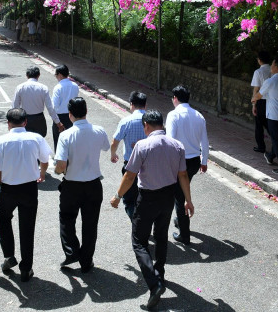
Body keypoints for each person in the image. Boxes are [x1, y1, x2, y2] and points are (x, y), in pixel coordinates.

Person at [110, 110, 194, 311]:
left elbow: (130, 176)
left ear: (146, 125)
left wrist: (117, 196)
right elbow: (183, 175)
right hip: (168, 196)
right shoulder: (177, 145)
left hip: (147, 197)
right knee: (161, 236)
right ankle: (160, 275)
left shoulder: (143, 145)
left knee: (139, 241)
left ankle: (154, 284)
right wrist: (188, 201)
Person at [0, 108, 51, 283]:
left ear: (8, 123)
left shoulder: (1, 142)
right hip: (29, 188)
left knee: (4, 220)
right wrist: (42, 173)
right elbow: (45, 160)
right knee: (27, 228)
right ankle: (26, 268)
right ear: (25, 122)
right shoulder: (36, 138)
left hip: (7, 189)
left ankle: (9, 256)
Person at [54, 97, 110, 273]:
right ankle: (86, 261)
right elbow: (106, 147)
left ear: (70, 115)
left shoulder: (65, 135)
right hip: (93, 185)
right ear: (86, 111)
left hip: (72, 186)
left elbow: (61, 166)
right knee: (90, 224)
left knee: (67, 218)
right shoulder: (99, 131)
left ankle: (71, 251)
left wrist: (57, 171)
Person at [165, 85, 208, 244]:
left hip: (179, 160)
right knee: (183, 189)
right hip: (194, 161)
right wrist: (204, 161)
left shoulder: (173, 115)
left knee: (179, 197)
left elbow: (170, 141)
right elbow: (205, 141)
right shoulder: (198, 115)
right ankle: (180, 220)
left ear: (175, 98)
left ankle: (184, 234)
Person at [110, 91, 148, 221]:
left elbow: (115, 141)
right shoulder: (152, 121)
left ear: (131, 104)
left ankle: (138, 224)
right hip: (150, 165)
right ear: (145, 105)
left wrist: (113, 154)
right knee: (145, 198)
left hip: (131, 165)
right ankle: (144, 222)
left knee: (129, 199)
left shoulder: (126, 121)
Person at [12, 66, 63, 139]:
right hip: (39, 120)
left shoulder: (20, 87)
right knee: (39, 141)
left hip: (25, 120)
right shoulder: (43, 88)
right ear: (38, 75)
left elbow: (15, 107)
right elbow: (50, 108)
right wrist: (58, 122)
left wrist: (14, 124)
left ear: (27, 75)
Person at [50, 64, 79, 149]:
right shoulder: (75, 85)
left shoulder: (58, 87)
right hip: (72, 116)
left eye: (56, 75)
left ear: (59, 75)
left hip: (60, 117)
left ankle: (59, 160)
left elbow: (54, 105)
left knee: (59, 139)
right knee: (71, 139)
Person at [250, 50, 272, 153]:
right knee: (270, 124)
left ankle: (261, 146)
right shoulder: (273, 70)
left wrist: (254, 104)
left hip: (261, 100)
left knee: (259, 125)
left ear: (259, 60)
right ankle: (276, 145)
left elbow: (256, 89)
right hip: (272, 101)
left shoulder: (258, 72)